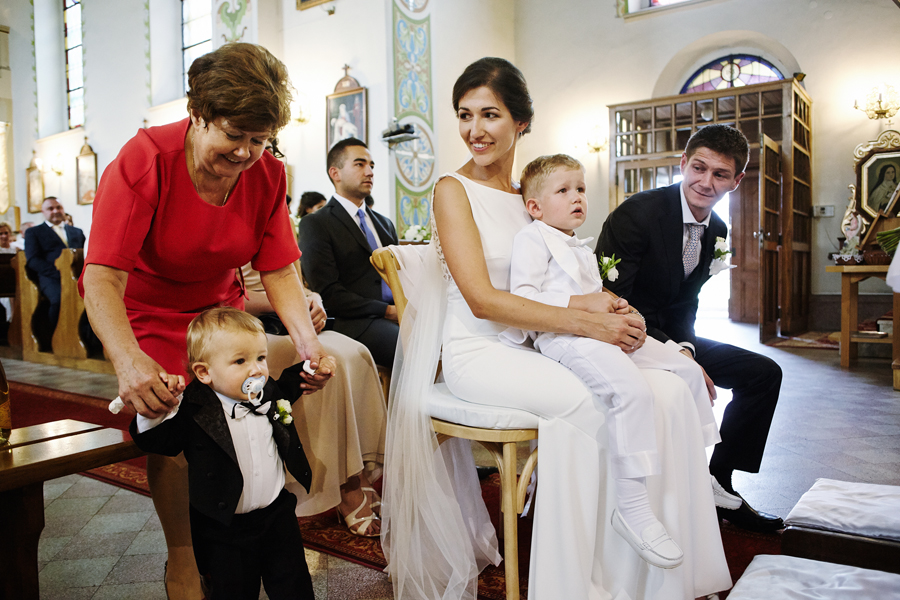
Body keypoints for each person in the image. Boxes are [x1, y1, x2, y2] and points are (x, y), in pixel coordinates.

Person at [381, 57, 730, 600]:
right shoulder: (454, 190)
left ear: (521, 121)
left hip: (538, 342)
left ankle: (653, 578)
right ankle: (583, 582)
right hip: (481, 351)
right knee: (596, 401)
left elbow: (559, 279)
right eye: (465, 115)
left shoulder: (532, 195)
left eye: (490, 114)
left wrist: (613, 314)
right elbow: (482, 301)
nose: (475, 129)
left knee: (663, 389)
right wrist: (588, 323)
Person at [80, 43, 333, 600]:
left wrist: (308, 344)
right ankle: (183, 555)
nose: (245, 153)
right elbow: (101, 277)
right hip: (143, 310)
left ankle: (250, 519)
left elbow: (279, 269)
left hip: (218, 313)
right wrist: (128, 359)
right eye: (234, 135)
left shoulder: (268, 173)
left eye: (259, 140)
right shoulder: (145, 159)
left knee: (252, 403)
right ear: (197, 113)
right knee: (178, 424)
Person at [502, 153, 725, 568]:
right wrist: (584, 304)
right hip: (563, 335)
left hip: (600, 328)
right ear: (535, 206)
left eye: (581, 189)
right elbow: (524, 298)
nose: (577, 198)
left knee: (685, 369)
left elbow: (598, 294)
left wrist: (620, 309)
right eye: (564, 190)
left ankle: (700, 470)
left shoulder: (578, 245)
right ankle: (632, 507)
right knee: (631, 391)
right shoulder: (533, 239)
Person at [597, 123, 784, 533]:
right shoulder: (638, 214)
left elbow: (686, 302)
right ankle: (671, 491)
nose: (705, 182)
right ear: (683, 163)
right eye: (699, 168)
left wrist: (686, 348)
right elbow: (614, 303)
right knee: (684, 378)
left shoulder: (716, 230)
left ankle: (720, 482)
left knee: (764, 374)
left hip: (671, 336)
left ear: (736, 181)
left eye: (720, 174)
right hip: (625, 337)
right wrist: (677, 356)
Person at [130, 308, 318, 600]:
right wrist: (153, 413)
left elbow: (287, 386)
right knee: (233, 591)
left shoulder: (267, 392)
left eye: (260, 358)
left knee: (294, 585)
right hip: (225, 528)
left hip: (277, 515)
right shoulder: (193, 410)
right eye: (240, 361)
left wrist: (311, 370)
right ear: (204, 372)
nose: (256, 370)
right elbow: (159, 442)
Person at [241, 262, 387, 537]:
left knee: (358, 353)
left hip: (288, 318)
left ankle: (360, 470)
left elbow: (292, 279)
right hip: (247, 327)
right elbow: (226, 297)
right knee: (327, 364)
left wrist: (312, 300)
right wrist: (289, 305)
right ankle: (346, 484)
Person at [297, 138, 400, 367]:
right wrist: (387, 311)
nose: (369, 172)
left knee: (448, 338)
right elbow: (328, 292)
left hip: (397, 313)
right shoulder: (317, 223)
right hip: (353, 322)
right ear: (335, 173)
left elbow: (400, 275)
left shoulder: (385, 224)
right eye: (360, 164)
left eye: (371, 165)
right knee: (412, 346)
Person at [25, 196, 86, 333]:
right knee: (60, 299)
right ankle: (59, 336)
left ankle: (87, 337)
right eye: (50, 208)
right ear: (43, 212)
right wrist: (60, 273)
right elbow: (33, 260)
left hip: (78, 276)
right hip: (51, 278)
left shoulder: (76, 231)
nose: (55, 211)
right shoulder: (34, 232)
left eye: (58, 207)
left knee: (93, 298)